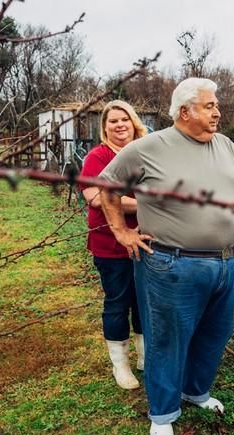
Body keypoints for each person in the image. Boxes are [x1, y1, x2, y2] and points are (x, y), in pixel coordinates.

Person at [98, 77, 234, 435]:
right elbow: (108, 186)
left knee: (214, 335)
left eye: (216, 105)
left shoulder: (226, 146)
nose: (217, 111)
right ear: (185, 111)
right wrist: (122, 233)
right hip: (170, 264)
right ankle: (163, 413)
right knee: (167, 339)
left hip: (225, 264)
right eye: (209, 105)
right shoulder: (149, 146)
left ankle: (195, 392)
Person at [80, 100, 147, 390]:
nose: (119, 125)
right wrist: (146, 204)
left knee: (145, 301)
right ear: (105, 127)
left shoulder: (147, 151)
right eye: (113, 121)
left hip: (147, 241)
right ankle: (120, 365)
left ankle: (147, 357)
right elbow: (95, 197)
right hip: (111, 244)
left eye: (124, 119)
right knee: (118, 301)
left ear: (134, 122)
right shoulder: (98, 157)